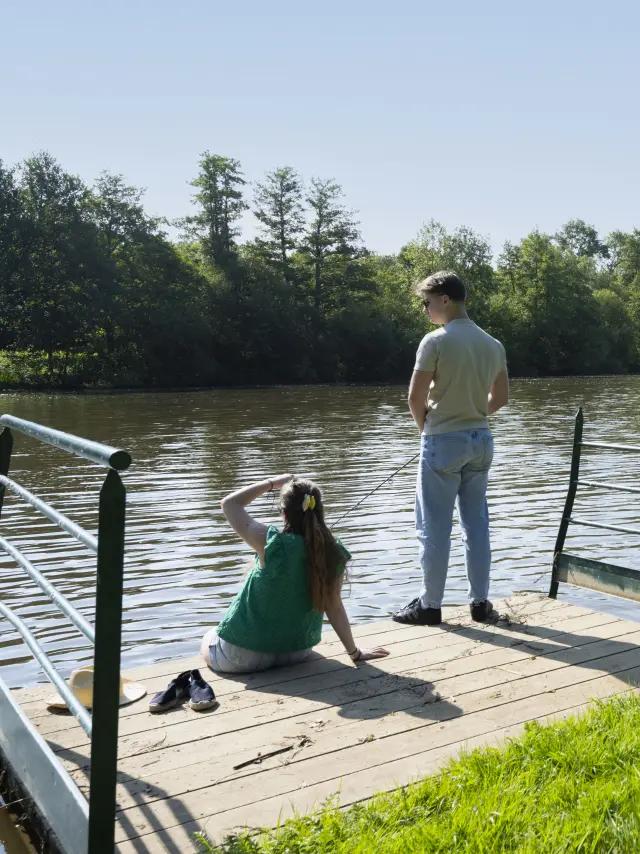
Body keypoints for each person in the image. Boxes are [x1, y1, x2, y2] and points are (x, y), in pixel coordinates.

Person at [393, 271, 509, 627]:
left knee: (433, 527)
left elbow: (414, 398)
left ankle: (430, 607)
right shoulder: (493, 344)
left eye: (427, 302)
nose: (425, 310)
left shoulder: (435, 341)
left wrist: (428, 429)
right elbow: (500, 399)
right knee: (477, 526)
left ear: (445, 299)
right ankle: (480, 604)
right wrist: (471, 412)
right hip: (481, 441)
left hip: (442, 442)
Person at [201, 474, 389, 673]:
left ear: (284, 514)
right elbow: (334, 607)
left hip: (242, 657)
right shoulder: (333, 552)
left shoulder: (271, 542)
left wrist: (272, 483)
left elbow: (229, 504)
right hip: (296, 652)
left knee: (209, 636)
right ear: (320, 511)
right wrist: (355, 653)